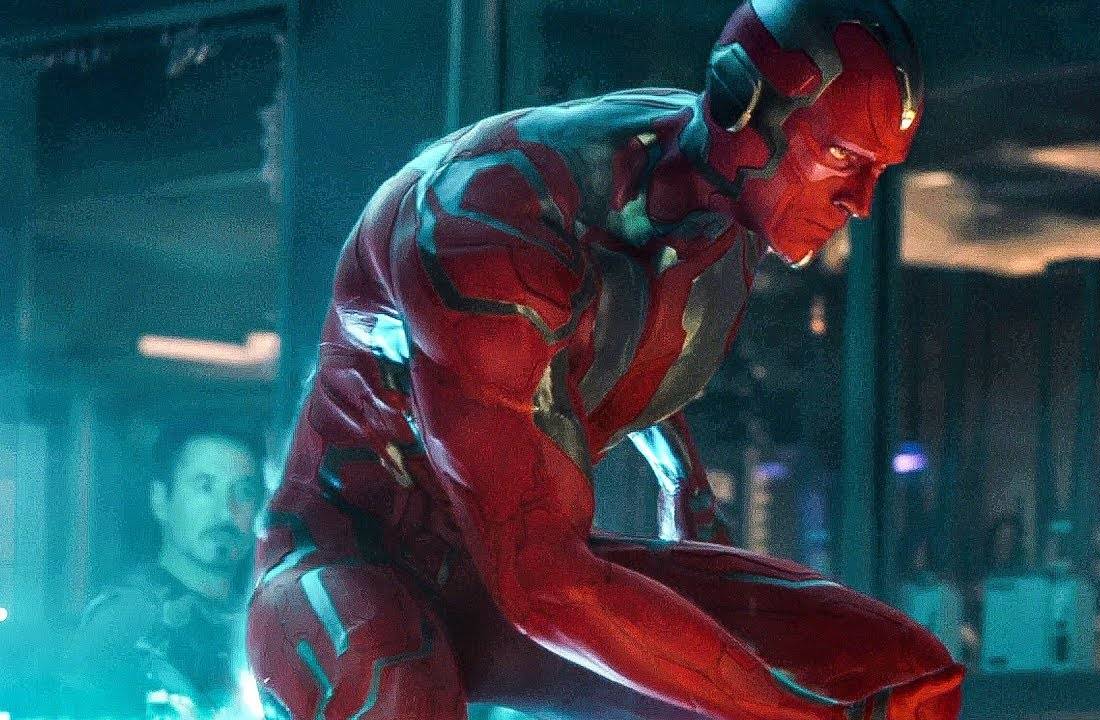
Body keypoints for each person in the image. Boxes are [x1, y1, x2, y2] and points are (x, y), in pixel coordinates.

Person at [248, 1, 964, 719]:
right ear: (740, 111)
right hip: (357, 554)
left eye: (878, 170)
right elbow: (545, 583)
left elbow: (606, 340)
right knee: (396, 686)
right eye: (841, 158)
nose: (861, 202)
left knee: (898, 675)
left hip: (511, 566)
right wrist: (796, 716)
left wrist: (686, 488)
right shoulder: (488, 228)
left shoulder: (724, 187)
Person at [64, 424, 266, 717]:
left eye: (244, 492)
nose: (226, 511)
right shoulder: (123, 621)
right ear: (161, 500)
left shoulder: (266, 622)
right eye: (205, 487)